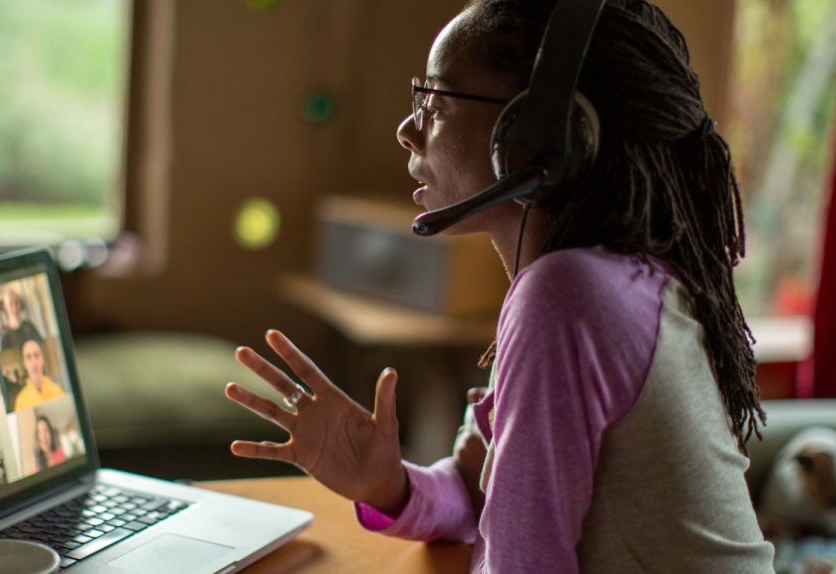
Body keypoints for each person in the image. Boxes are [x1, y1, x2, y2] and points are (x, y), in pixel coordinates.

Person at [223, 1, 774, 571]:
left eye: (435, 101)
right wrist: (387, 483)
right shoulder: (614, 280)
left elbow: (521, 562)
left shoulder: (569, 297)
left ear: (537, 135)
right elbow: (481, 500)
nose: (408, 130)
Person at [12, 338, 66, 411]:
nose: (34, 362)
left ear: (42, 359)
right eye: (28, 357)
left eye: (36, 355)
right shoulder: (20, 401)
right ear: (24, 363)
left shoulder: (58, 391)